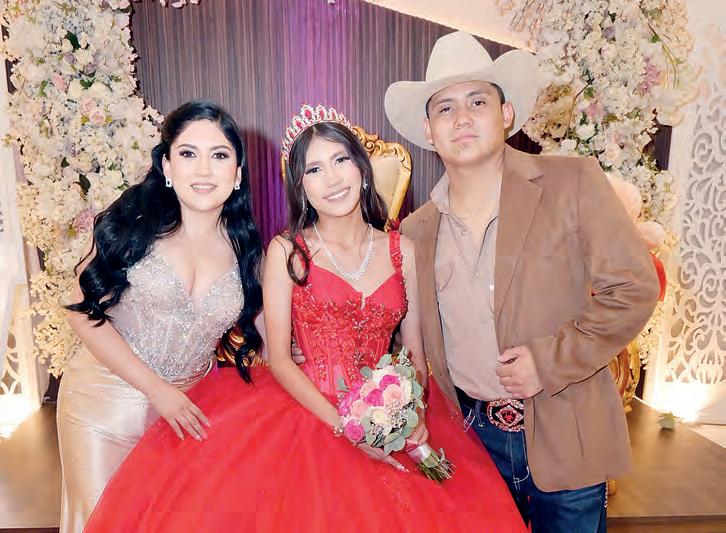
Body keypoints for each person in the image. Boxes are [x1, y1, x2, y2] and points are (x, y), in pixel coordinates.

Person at [84, 104, 526, 533]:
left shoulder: (402, 250)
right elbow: (279, 357)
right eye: (314, 169)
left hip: (389, 412)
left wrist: (410, 415)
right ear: (301, 186)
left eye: (340, 160)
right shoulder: (285, 251)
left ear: (362, 168)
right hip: (304, 415)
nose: (331, 178)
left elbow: (413, 353)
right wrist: (346, 427)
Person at [385, 31, 660, 532]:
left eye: (477, 101)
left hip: (565, 429)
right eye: (444, 108)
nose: (461, 118)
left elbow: (633, 288)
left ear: (506, 113)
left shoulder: (572, 183)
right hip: (470, 442)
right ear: (428, 130)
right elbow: (409, 338)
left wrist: (547, 361)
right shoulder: (415, 231)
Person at [57, 100, 263, 532]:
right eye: (188, 153)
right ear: (167, 166)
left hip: (187, 415)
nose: (203, 169)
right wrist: (157, 390)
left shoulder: (248, 250)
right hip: (105, 405)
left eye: (219, 155)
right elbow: (82, 313)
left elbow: (267, 333)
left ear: (238, 174)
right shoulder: (134, 225)